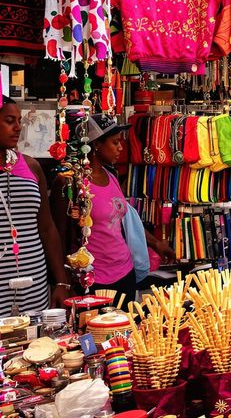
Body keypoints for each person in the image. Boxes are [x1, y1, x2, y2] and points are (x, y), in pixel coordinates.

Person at [52, 115, 138, 307]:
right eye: (115, 142)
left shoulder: (112, 175)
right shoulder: (70, 181)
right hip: (91, 279)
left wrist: (156, 243)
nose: (120, 148)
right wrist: (62, 281)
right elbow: (58, 234)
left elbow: (121, 221)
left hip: (124, 271)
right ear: (97, 144)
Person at [0, 97, 70, 316]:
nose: (18, 127)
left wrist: (61, 282)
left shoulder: (31, 167)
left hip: (34, 280)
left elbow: (47, 227)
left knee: (37, 345)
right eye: (9, 121)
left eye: (19, 120)